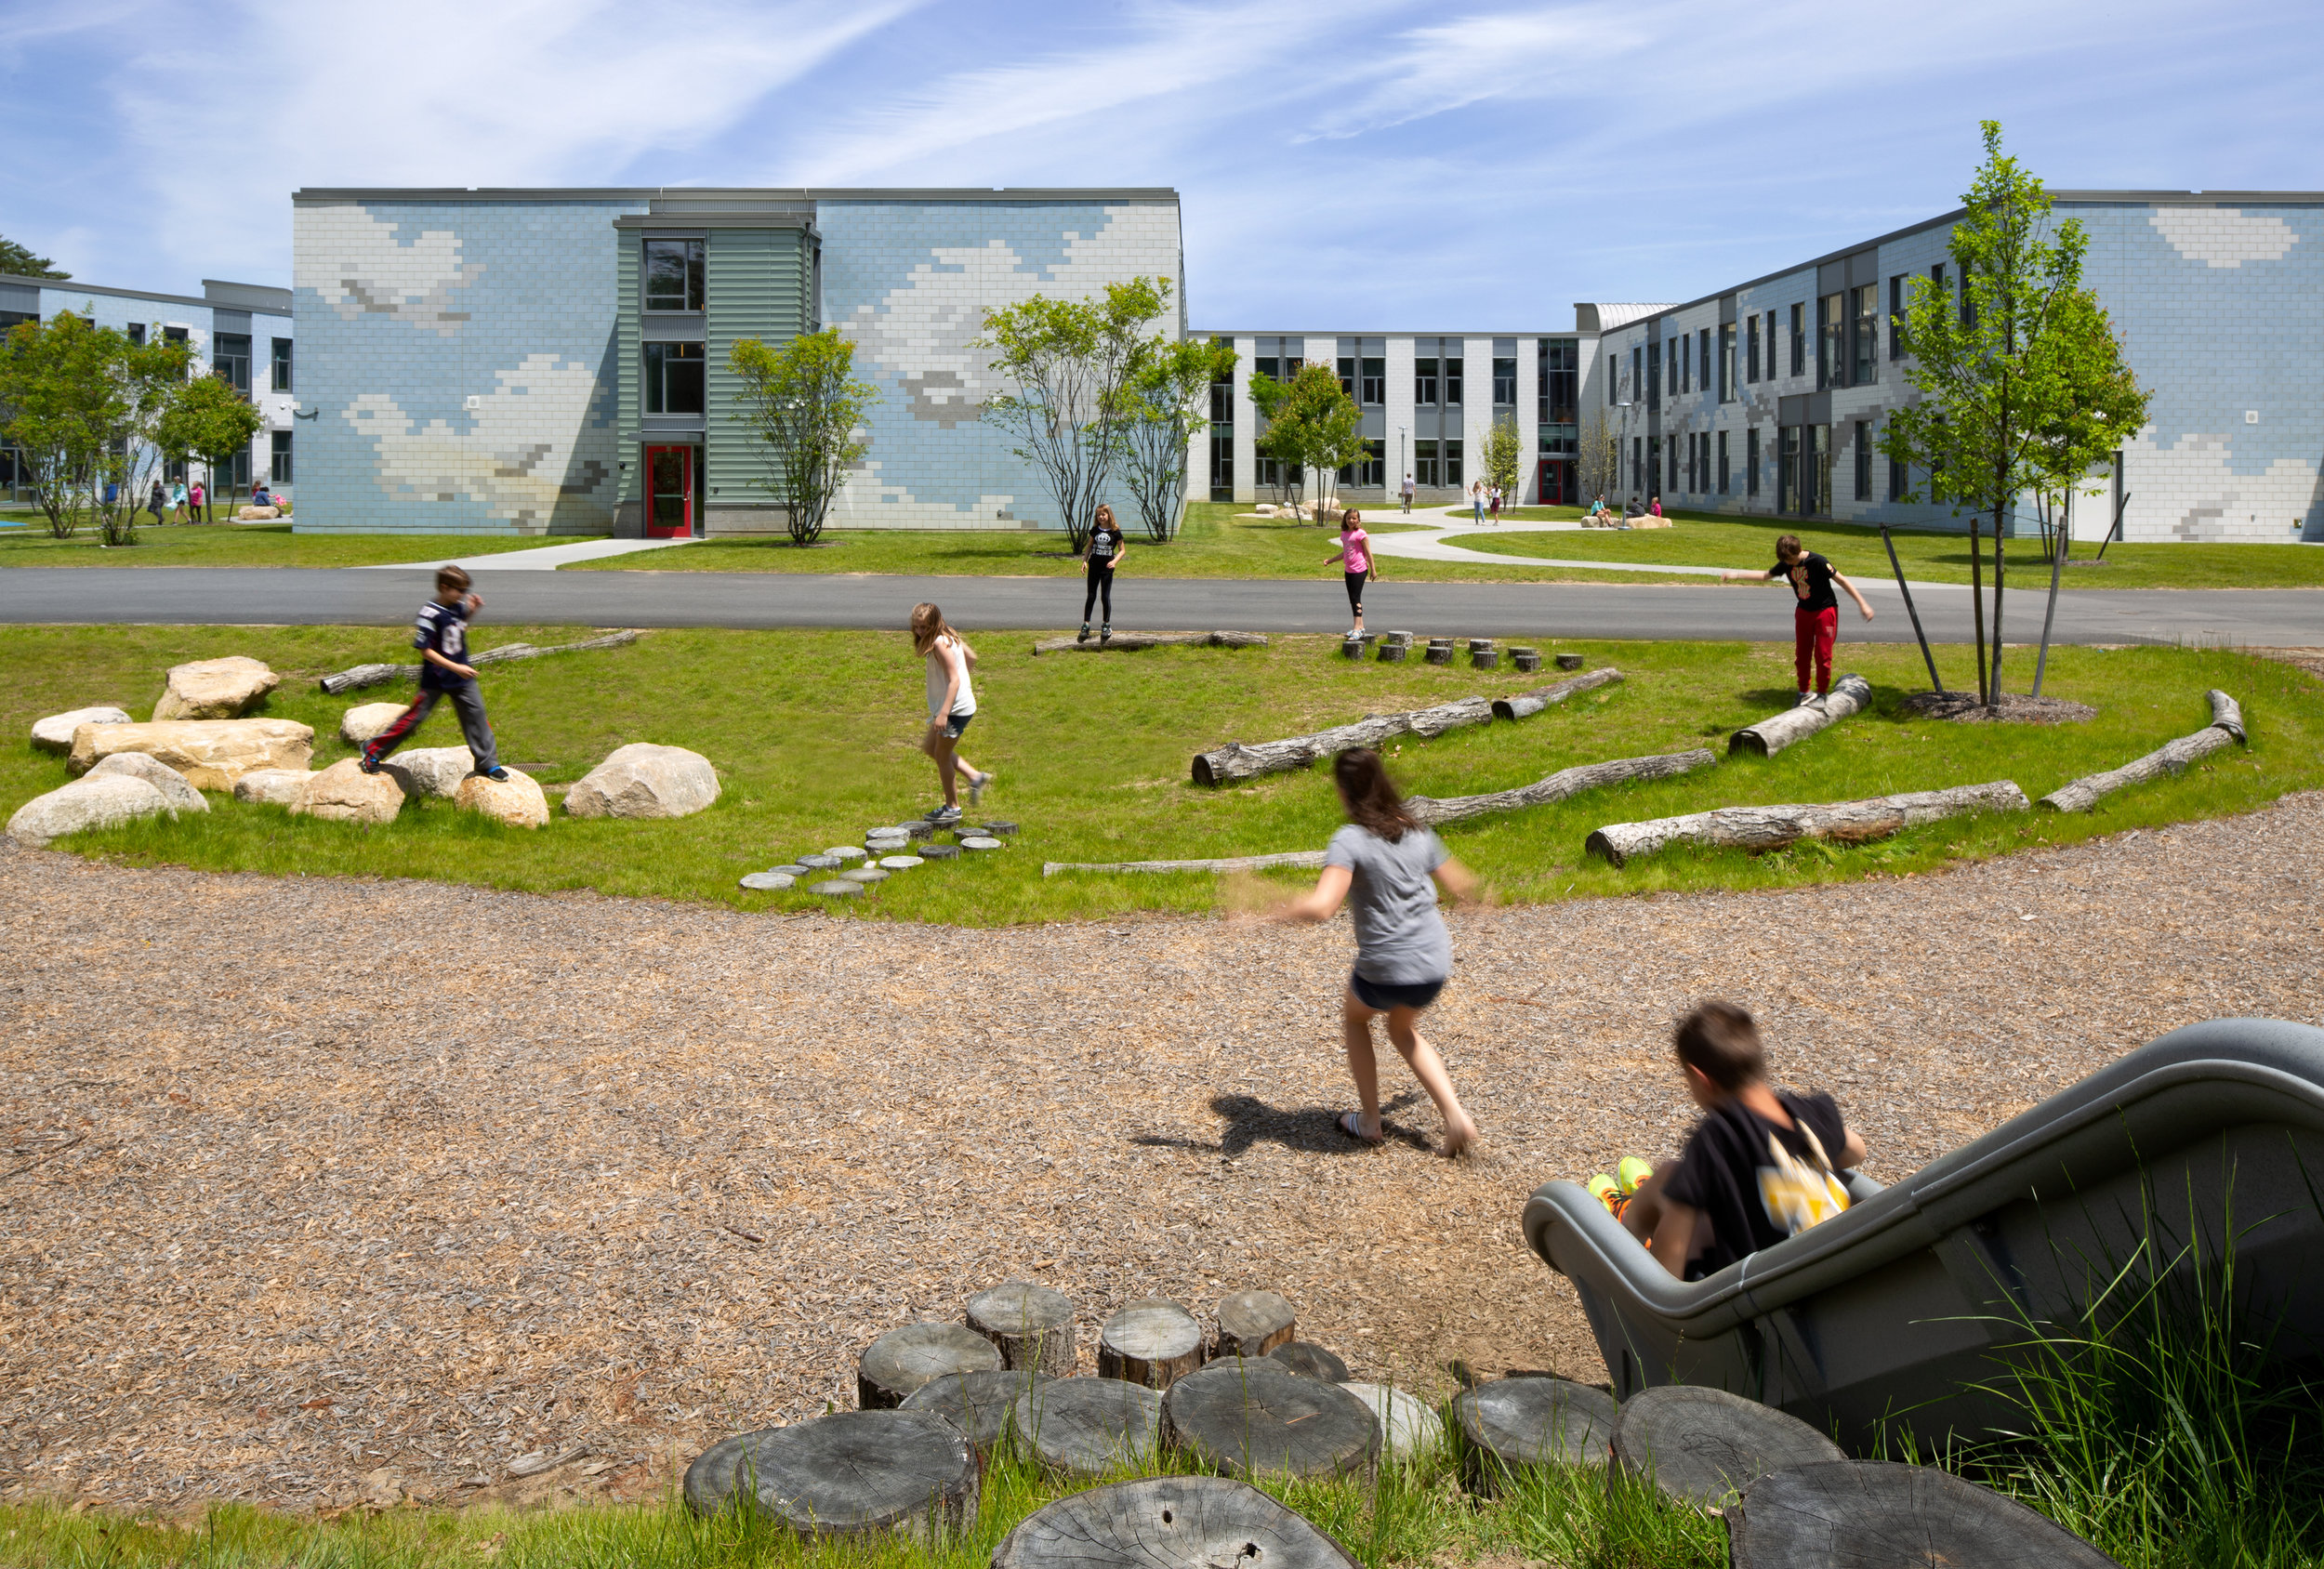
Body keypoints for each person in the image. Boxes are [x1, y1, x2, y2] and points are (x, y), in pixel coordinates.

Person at [1271, 748, 1481, 1156]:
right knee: (1402, 1030)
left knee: (1355, 1018)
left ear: (1343, 791)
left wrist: (1274, 910)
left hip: (1386, 965)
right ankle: (1456, 1117)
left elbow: (1322, 907)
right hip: (1433, 962)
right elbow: (1462, 885)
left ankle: (1369, 1122)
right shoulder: (1417, 831)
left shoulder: (1349, 840)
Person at [1613, 1001, 1867, 1282]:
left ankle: (1625, 1236)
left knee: (1669, 1179)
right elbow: (1857, 1151)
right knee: (1683, 1182)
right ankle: (1628, 1227)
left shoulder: (1718, 1140)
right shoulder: (1814, 1113)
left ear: (1701, 1079)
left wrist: (1656, 1306)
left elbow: (1675, 1246)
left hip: (1756, 1293)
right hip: (1827, 1267)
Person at [359, 565, 509, 783]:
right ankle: (373, 749)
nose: (462, 595)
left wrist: (471, 611)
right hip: (436, 679)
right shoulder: (429, 613)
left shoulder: (457, 607)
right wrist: (455, 667)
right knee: (413, 719)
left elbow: (456, 630)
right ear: (444, 587)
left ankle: (488, 764)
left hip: (462, 678)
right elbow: (425, 650)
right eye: (459, 590)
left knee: (477, 717)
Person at [1719, 534, 1874, 707]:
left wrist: (1863, 604)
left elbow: (1842, 580)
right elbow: (1765, 576)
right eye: (1787, 561)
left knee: (1823, 655)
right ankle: (1803, 692)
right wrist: (1735, 574)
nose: (1790, 564)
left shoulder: (1818, 561)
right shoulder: (1786, 562)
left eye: (1792, 560)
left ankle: (1822, 694)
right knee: (1802, 656)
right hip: (1803, 612)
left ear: (1799, 550)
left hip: (1825, 611)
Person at [911, 601, 991, 825]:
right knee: (932, 749)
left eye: (924, 627)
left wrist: (944, 713)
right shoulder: (950, 633)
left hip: (954, 709)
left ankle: (952, 808)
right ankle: (975, 777)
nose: (920, 632)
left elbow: (954, 679)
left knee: (942, 755)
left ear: (935, 623)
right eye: (917, 627)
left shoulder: (938, 643)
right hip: (956, 705)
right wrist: (961, 681)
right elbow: (971, 658)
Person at [1078, 503, 1126, 644]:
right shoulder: (1095, 530)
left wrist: (1115, 561)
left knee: (1105, 596)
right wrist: (1084, 561)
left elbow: (1122, 550)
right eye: (1099, 515)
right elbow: (1089, 547)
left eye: (1103, 514)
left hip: (1107, 569)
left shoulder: (1115, 531)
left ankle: (1106, 625)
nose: (1101, 517)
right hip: (1094, 567)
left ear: (1109, 515)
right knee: (1091, 595)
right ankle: (1086, 624)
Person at [1324, 508, 1376, 635]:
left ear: (1358, 520)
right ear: (1345, 519)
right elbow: (1345, 552)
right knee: (1352, 599)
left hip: (1360, 569)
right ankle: (1361, 627)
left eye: (1354, 518)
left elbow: (1368, 553)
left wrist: (1373, 570)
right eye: (1349, 518)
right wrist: (1330, 561)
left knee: (1355, 597)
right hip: (1348, 570)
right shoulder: (1344, 534)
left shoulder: (1361, 534)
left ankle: (1356, 629)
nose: (1351, 520)